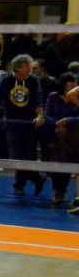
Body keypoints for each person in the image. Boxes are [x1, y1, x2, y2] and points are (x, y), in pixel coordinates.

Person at [0, 54, 45, 196]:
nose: (30, 69)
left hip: (29, 123)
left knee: (29, 156)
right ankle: (37, 178)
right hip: (12, 123)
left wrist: (40, 116)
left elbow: (38, 99)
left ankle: (20, 185)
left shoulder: (33, 80)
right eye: (26, 66)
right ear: (18, 68)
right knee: (16, 156)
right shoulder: (7, 80)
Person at [45, 73, 79, 206]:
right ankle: (57, 190)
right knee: (57, 163)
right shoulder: (53, 96)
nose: (75, 85)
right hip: (56, 135)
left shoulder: (76, 98)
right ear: (65, 84)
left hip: (74, 136)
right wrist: (58, 124)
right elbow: (47, 115)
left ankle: (68, 192)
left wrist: (68, 121)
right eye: (72, 82)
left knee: (71, 164)